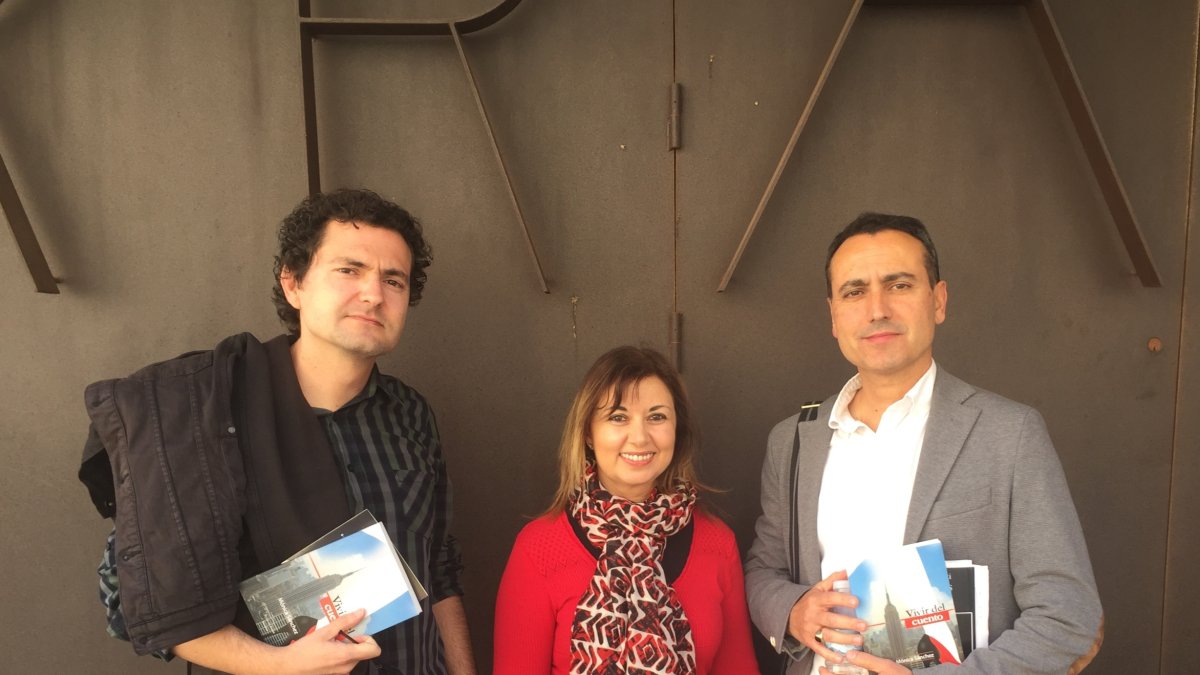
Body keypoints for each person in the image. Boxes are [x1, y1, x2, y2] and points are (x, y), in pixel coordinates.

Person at [79, 189, 476, 675]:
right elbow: (137, 596)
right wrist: (278, 665)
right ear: (294, 284)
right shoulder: (205, 409)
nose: (374, 293)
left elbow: (437, 565)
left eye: (393, 280)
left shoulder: (410, 413)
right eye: (349, 270)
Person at [744, 213, 1103, 674]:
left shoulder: (1010, 435)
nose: (877, 309)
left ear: (938, 300)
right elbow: (762, 571)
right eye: (855, 292)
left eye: (899, 285)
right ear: (833, 315)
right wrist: (793, 611)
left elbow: (1068, 614)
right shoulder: (792, 441)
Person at [493, 346, 760, 674]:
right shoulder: (539, 548)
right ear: (588, 433)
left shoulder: (716, 543)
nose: (640, 436)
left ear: (677, 429)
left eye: (657, 416)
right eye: (618, 417)